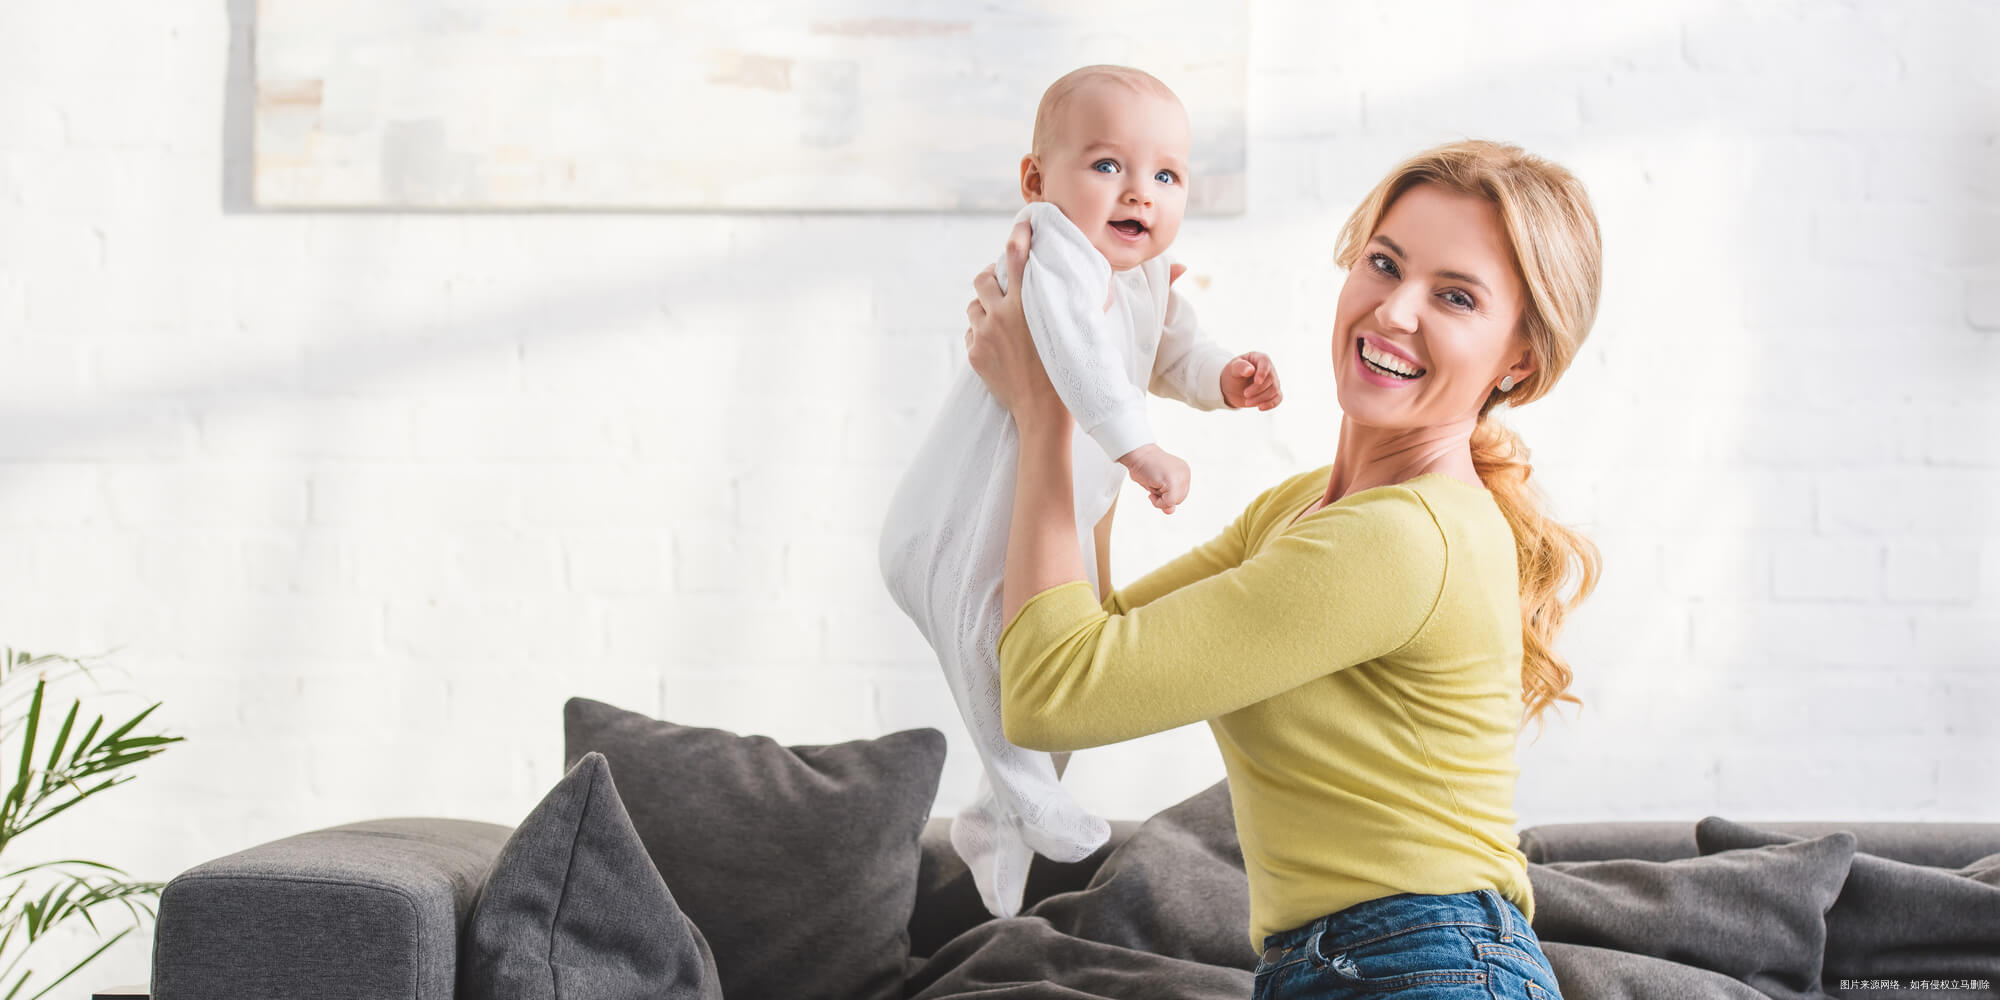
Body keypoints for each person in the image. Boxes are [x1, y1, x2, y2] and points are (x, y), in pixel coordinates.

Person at [962, 137, 1601, 999]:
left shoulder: (1402, 539)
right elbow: (1082, 645)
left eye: (1455, 296)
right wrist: (1101, 401)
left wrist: (1048, 412)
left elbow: (1052, 695)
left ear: (1519, 360)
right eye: (1384, 264)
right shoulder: (1308, 509)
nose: (1395, 311)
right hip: (1355, 966)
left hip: (1426, 967)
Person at [878, 64, 1284, 921]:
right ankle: (1024, 792)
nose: (1140, 193)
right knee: (996, 649)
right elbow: (1076, 354)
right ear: (1037, 180)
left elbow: (1174, 353)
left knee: (1065, 661)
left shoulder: (1144, 274)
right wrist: (1140, 449)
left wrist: (1226, 379)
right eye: (1107, 165)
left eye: (1166, 176)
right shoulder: (1053, 249)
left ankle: (1002, 819)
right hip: (956, 522)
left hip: (1046, 519)